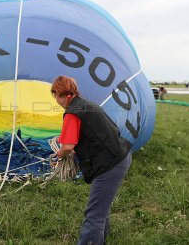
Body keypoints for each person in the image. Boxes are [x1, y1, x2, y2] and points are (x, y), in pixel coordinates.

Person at [51, 76, 132, 245]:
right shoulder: (88, 105)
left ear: (61, 94)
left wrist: (56, 157)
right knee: (101, 208)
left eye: (55, 95)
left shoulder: (73, 113)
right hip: (120, 155)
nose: (56, 100)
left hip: (109, 164)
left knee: (94, 214)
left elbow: (67, 147)